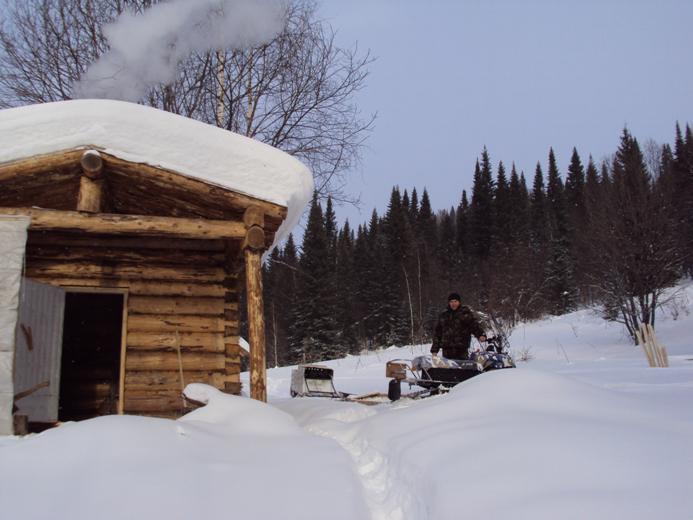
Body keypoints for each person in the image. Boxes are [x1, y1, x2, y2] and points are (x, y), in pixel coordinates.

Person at [430, 293, 486, 361]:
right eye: (451, 302)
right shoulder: (444, 315)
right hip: (447, 350)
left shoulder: (465, 313)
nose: (453, 304)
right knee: (447, 367)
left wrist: (480, 335)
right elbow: (437, 333)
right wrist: (434, 350)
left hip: (461, 349)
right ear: (449, 303)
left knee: (463, 367)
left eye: (455, 301)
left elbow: (474, 326)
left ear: (459, 302)